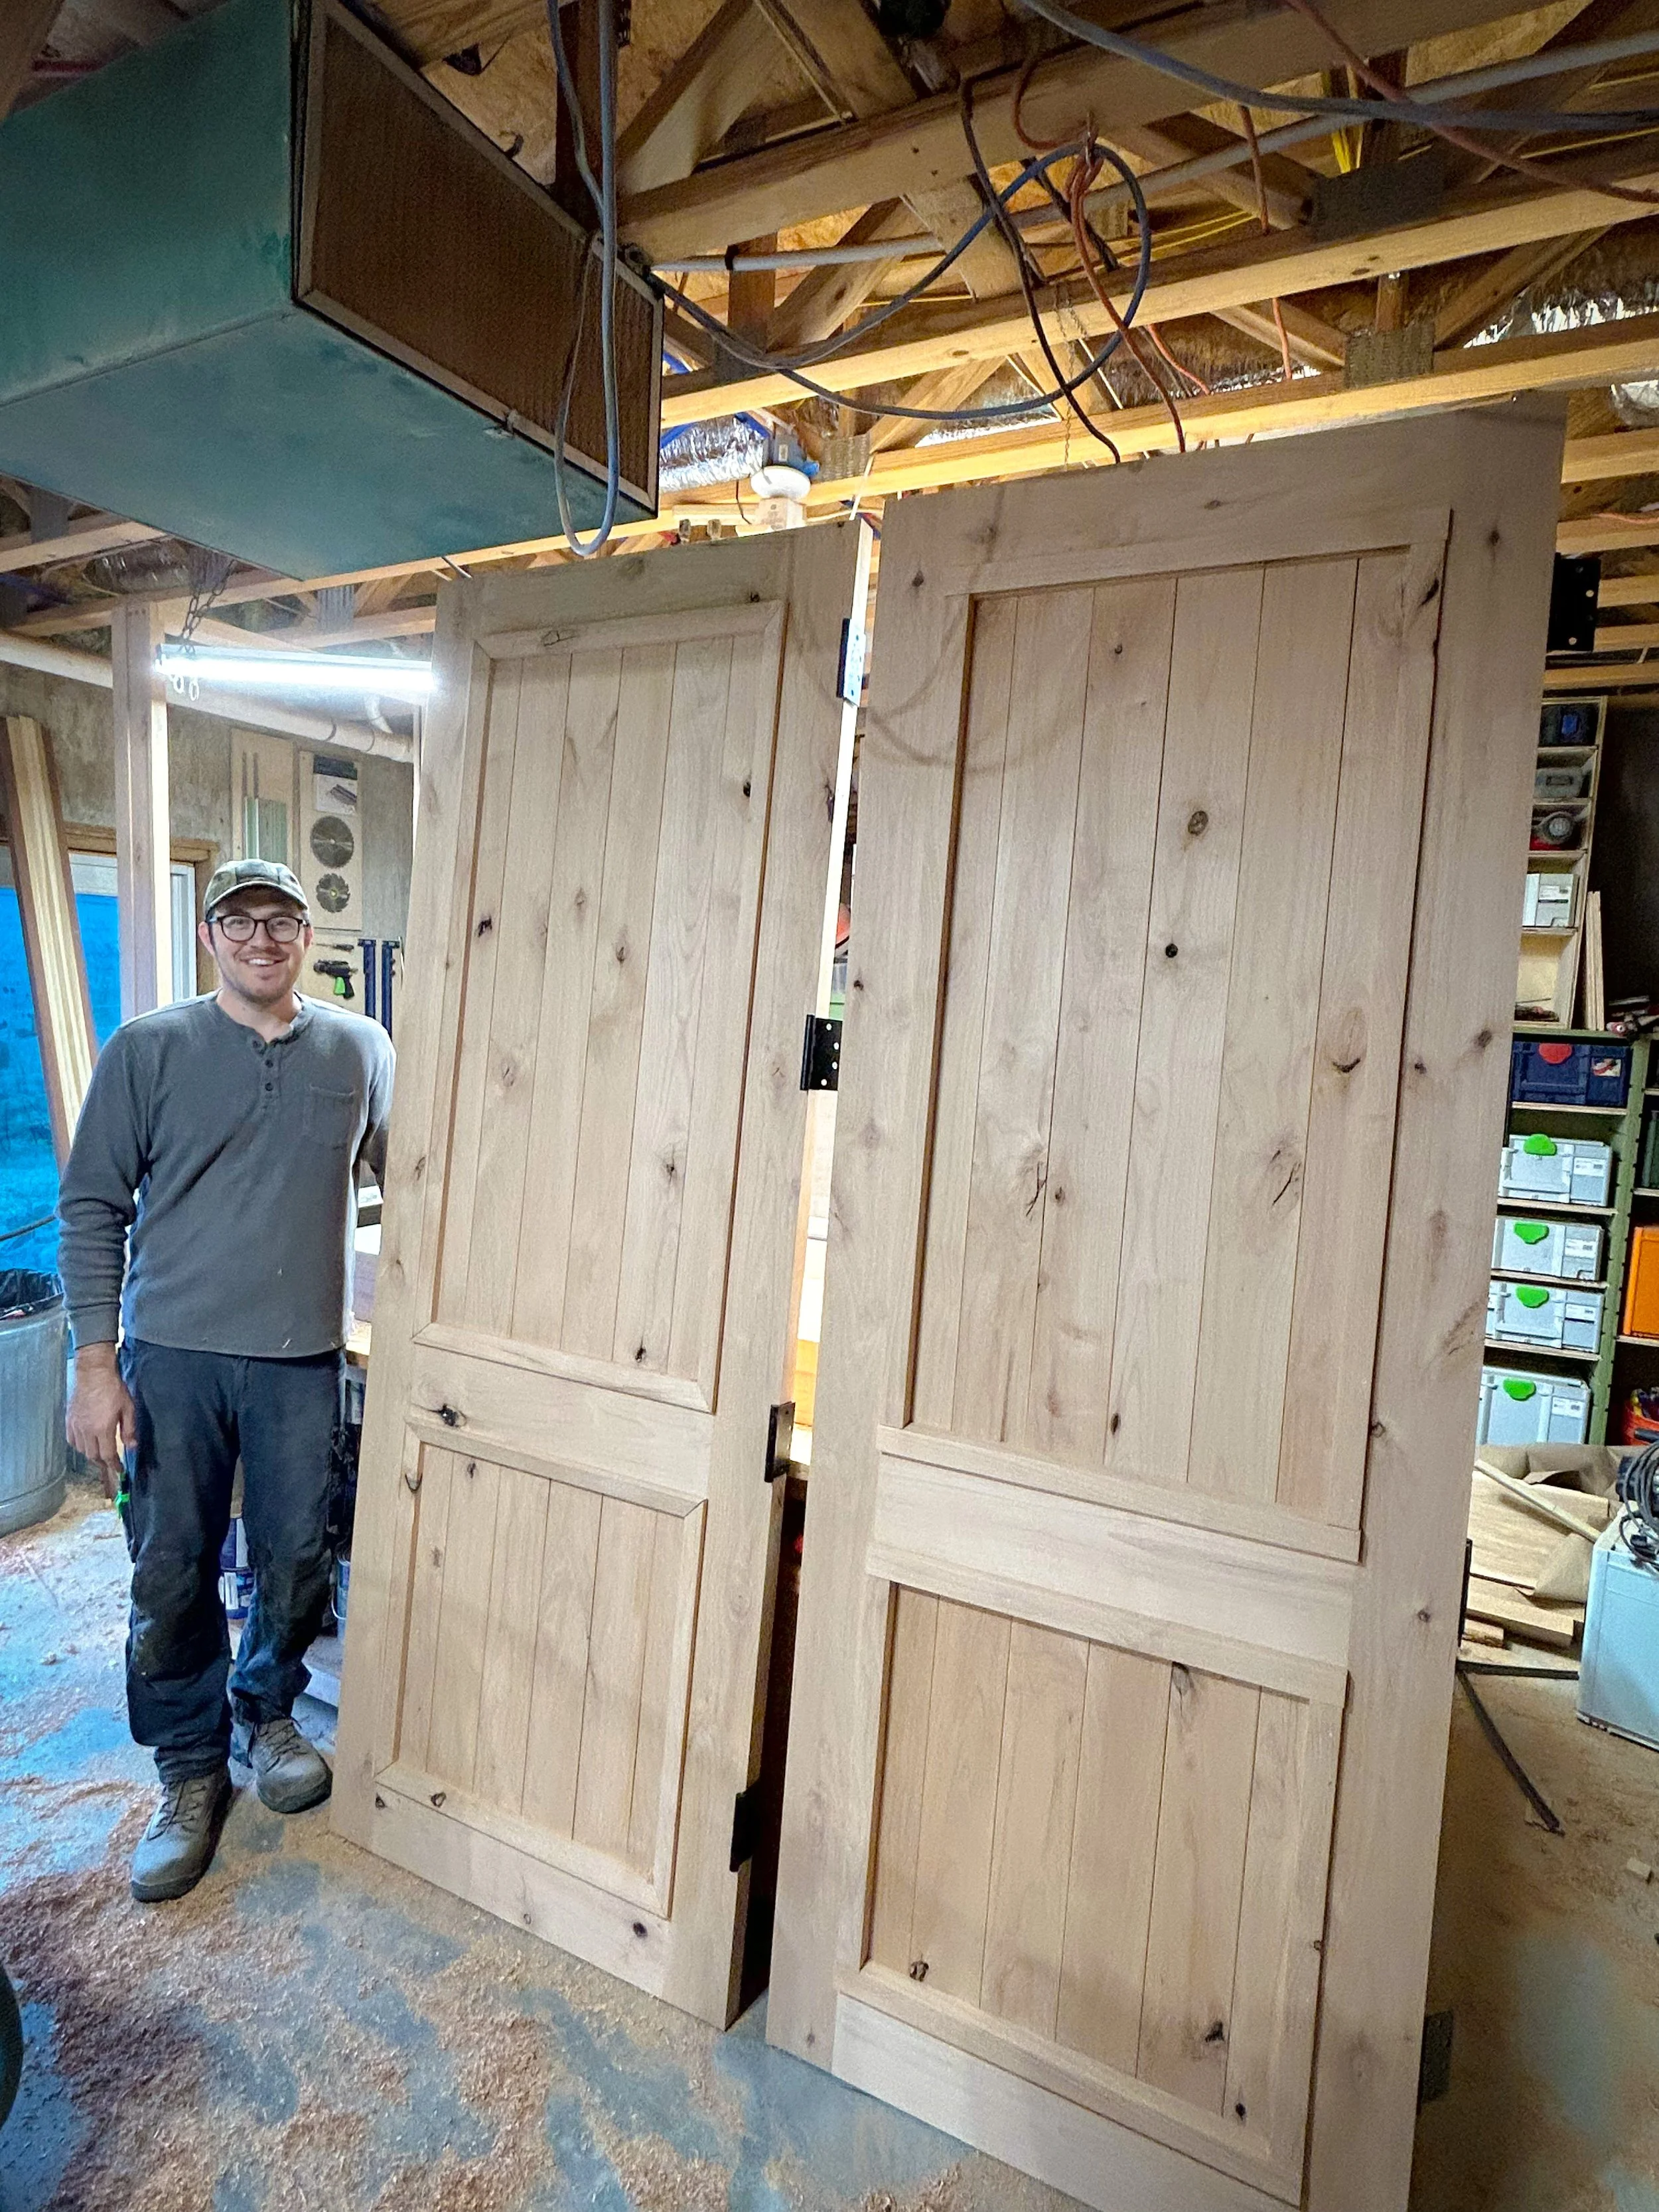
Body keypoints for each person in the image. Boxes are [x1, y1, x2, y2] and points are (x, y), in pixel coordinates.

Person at [58, 858, 394, 1902]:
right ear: (210, 936)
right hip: (172, 1357)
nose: (261, 939)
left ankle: (268, 1711)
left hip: (301, 1359)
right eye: (238, 921)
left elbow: (413, 1181)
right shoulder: (148, 1049)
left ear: (306, 937)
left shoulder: (359, 1049)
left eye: (280, 921)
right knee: (172, 1565)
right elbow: (92, 1207)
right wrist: (95, 1365)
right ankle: (189, 1766)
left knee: (297, 1557)